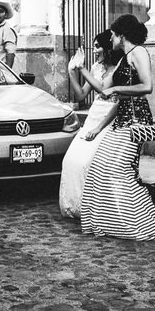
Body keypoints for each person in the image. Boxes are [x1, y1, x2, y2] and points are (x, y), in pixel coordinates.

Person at [79, 14, 155, 241]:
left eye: (113, 34)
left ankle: (137, 223)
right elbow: (103, 89)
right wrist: (81, 69)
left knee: (120, 171)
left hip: (136, 120)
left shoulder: (139, 52)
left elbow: (147, 86)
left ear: (122, 35)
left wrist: (117, 91)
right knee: (99, 169)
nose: (110, 38)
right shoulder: (124, 59)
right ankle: (113, 222)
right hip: (121, 120)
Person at [58, 31, 122, 218]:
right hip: (94, 115)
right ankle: (76, 207)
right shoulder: (95, 67)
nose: (94, 50)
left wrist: (82, 68)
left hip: (109, 118)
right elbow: (81, 95)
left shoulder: (119, 67)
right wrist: (72, 71)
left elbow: (105, 90)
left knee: (90, 163)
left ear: (108, 48)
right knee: (71, 160)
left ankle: (96, 209)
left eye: (97, 46)